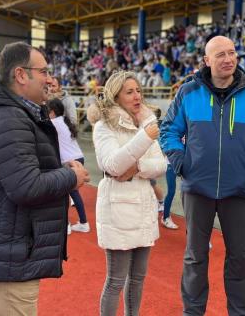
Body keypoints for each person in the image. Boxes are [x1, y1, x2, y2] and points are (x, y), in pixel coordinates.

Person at [0, 41, 89, 316]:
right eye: (43, 72)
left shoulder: (13, 114)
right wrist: (70, 176)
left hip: (10, 253)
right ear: (21, 75)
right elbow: (26, 186)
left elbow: (23, 174)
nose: (50, 80)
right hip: (7, 259)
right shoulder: (6, 118)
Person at [160, 36, 245, 315]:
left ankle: (240, 312)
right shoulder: (189, 92)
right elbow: (168, 130)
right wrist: (179, 160)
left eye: (232, 53)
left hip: (239, 190)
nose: (228, 59)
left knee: (240, 259)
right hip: (196, 188)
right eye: (220, 55)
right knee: (195, 257)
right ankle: (193, 312)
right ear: (206, 61)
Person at [87, 70, 167, 316]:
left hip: (143, 206)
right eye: (129, 92)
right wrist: (144, 139)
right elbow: (111, 165)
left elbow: (161, 165)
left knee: (138, 278)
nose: (137, 96)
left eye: (139, 91)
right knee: (115, 280)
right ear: (116, 95)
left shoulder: (146, 123)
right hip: (119, 209)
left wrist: (137, 168)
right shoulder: (104, 126)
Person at [46, 97, 89, 233]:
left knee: (65, 194)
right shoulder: (65, 121)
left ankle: (67, 225)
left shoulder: (53, 123)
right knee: (73, 193)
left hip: (69, 161)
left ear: (52, 112)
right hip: (78, 157)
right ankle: (82, 222)